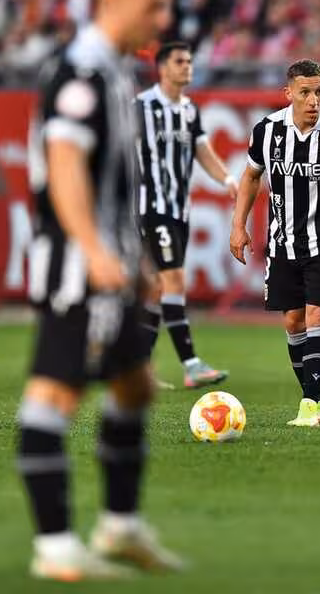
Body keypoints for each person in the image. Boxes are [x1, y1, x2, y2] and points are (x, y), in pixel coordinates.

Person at [20, 0, 182, 581]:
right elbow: (64, 165)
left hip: (111, 263)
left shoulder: (118, 72)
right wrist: (91, 250)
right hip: (75, 268)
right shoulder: (81, 71)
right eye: (155, 3)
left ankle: (119, 527)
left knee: (135, 386)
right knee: (53, 395)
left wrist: (134, 256)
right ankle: (55, 549)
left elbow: (114, 180)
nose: (162, 19)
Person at [229, 59, 320, 428]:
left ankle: (310, 403)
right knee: (293, 321)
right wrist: (238, 226)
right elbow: (250, 177)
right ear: (288, 93)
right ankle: (317, 402)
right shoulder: (268, 130)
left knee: (318, 316)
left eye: (319, 91)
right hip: (283, 242)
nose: (313, 100)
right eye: (305, 92)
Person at [136, 41, 235, 388]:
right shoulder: (141, 108)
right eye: (180, 61)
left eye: (190, 61)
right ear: (163, 67)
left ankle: (140, 369)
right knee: (174, 281)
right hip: (151, 209)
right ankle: (191, 364)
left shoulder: (190, 110)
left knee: (154, 289)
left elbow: (202, 151)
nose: (187, 67)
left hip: (180, 209)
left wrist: (227, 178)